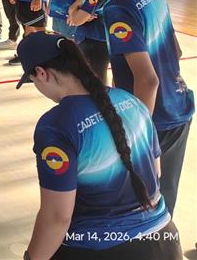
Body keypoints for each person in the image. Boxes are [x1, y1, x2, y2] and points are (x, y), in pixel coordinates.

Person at [16, 32, 181, 260]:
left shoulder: (56, 126)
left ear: (41, 73)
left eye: (32, 81)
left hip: (101, 248)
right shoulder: (132, 101)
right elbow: (156, 173)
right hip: (165, 242)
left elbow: (57, 218)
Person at [84, 0, 193, 217]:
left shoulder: (119, 8)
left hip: (155, 119)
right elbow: (177, 50)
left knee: (146, 204)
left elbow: (148, 81)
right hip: (178, 106)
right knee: (164, 194)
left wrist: (136, 132)